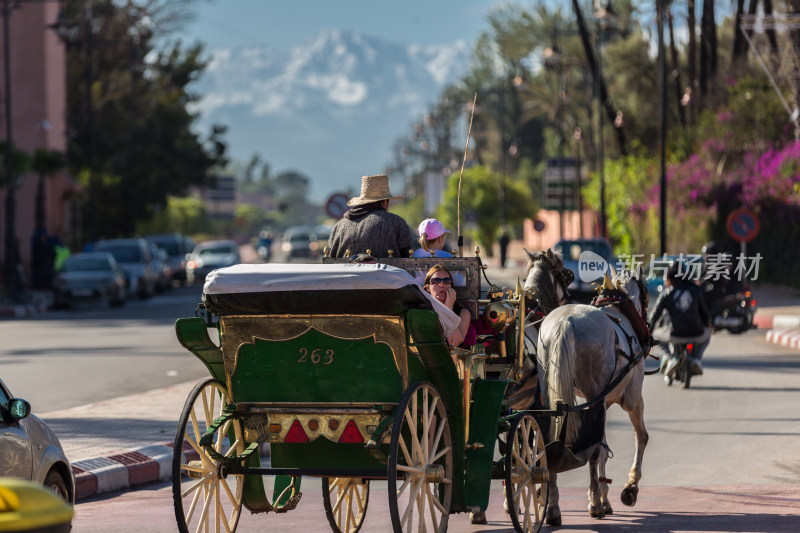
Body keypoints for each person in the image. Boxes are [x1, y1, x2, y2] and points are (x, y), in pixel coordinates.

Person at [648, 260, 712, 376]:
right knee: (707, 335)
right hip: (697, 333)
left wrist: (647, 333)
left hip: (674, 334)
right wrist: (708, 325)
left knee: (657, 335)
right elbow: (705, 313)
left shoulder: (667, 293)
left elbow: (655, 316)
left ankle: (671, 357)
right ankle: (697, 359)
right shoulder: (695, 291)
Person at [327, 174, 413, 258]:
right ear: (384, 202)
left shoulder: (338, 226)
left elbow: (330, 260)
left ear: (362, 202)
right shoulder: (396, 223)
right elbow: (408, 260)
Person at [423, 264, 475, 348]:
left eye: (446, 280)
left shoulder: (463, 313)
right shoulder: (422, 310)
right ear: (427, 288)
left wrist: (448, 309)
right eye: (436, 281)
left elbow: (454, 342)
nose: (442, 285)